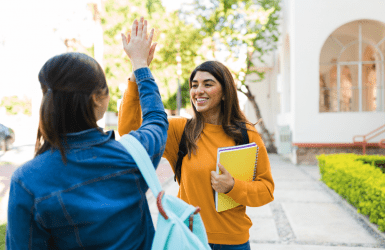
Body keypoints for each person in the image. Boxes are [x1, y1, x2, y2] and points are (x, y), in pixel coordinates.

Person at [6, 17, 167, 249]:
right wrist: (140, 67)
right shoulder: (133, 155)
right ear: (97, 98)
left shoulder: (26, 181)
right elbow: (156, 120)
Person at [118, 59, 275, 249]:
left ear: (225, 92)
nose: (198, 90)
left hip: (233, 242)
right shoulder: (180, 130)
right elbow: (130, 130)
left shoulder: (246, 135)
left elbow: (266, 190)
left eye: (208, 84)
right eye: (194, 85)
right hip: (189, 239)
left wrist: (233, 186)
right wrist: (136, 76)